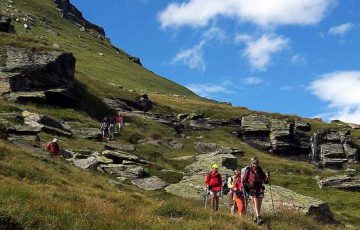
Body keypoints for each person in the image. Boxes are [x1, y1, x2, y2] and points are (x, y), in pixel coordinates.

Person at [242, 157, 270, 225]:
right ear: (251, 164)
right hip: (252, 189)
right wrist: (248, 186)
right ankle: (258, 217)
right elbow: (244, 181)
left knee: (258, 204)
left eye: (256, 164)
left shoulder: (260, 170)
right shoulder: (248, 170)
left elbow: (266, 181)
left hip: (259, 188)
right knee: (255, 202)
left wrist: (268, 176)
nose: (255, 166)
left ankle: (255, 218)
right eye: (254, 164)